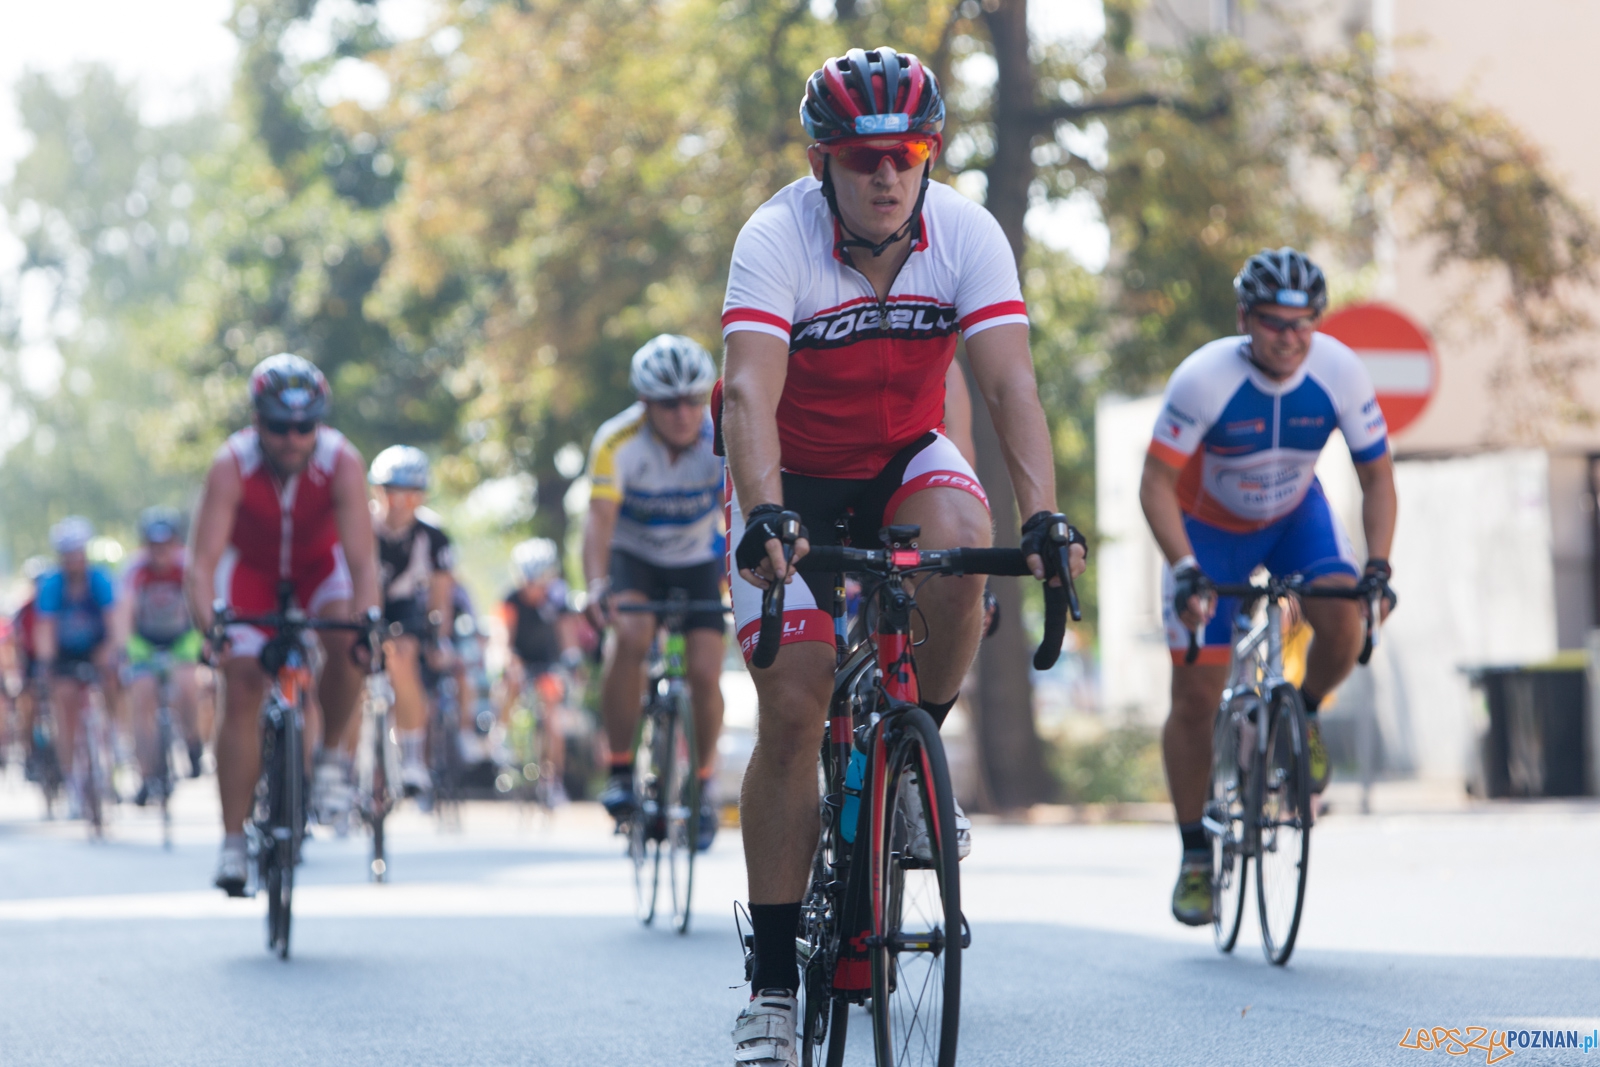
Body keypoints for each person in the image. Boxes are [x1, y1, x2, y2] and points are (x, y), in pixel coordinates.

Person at [719, 47, 1085, 1065]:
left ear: (930, 155)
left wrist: (1045, 515)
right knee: (792, 706)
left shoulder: (965, 231)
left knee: (966, 556)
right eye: (864, 155)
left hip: (901, 457)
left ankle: (915, 757)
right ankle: (772, 988)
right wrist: (762, 512)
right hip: (784, 473)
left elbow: (1009, 383)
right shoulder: (775, 236)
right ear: (821, 158)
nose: (887, 173)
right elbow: (748, 392)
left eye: (909, 152)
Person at [1138, 247, 1398, 928]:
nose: (1291, 337)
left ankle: (1303, 714)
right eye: (1275, 323)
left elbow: (1377, 477)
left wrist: (1379, 566)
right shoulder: (1204, 378)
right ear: (1245, 318)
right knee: (1195, 696)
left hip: (1293, 518)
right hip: (1208, 529)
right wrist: (1186, 566)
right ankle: (1196, 852)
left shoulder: (1339, 369)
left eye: (1305, 322)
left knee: (1345, 616)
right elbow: (1155, 483)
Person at [186, 353, 381, 895]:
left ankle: (331, 758)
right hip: (252, 574)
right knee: (243, 682)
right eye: (279, 427)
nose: (293, 439)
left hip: (320, 571)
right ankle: (231, 843)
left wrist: (368, 625)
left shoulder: (343, 461)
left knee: (348, 641)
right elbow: (202, 564)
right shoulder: (231, 464)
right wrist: (212, 629)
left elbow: (363, 564)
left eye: (305, 426)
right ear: (257, 422)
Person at [582, 334, 727, 850]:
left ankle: (701, 786)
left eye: (693, 399)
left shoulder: (723, 433)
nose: (683, 413)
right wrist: (597, 585)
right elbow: (598, 522)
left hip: (697, 558)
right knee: (632, 635)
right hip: (634, 557)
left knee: (708, 670)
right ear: (645, 403)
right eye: (669, 403)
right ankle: (621, 770)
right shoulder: (617, 440)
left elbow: (744, 509)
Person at [368, 445, 457, 797]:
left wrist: (439, 638)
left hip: (403, 604)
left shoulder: (433, 536)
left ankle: (411, 756)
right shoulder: (360, 525)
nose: (401, 503)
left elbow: (441, 595)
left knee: (402, 653)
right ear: (378, 492)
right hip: (362, 600)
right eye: (393, 492)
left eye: (410, 495)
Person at [33, 517, 124, 816]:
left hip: (96, 648)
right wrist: (46, 663)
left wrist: (110, 650)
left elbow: (115, 625)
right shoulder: (51, 584)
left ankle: (114, 736)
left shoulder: (99, 579)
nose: (73, 559)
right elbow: (45, 630)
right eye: (67, 553)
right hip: (65, 654)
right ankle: (73, 782)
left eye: (77, 552)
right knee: (65, 706)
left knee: (111, 677)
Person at [120, 506, 207, 803]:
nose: (160, 552)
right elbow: (124, 612)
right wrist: (125, 649)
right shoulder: (135, 570)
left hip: (181, 638)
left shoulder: (187, 565)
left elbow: (200, 601)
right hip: (144, 640)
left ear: (175, 543)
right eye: (153, 545)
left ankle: (193, 742)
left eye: (165, 544)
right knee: (141, 696)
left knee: (187, 684)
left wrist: (205, 639)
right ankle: (145, 774)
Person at [497, 538, 580, 805]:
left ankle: (552, 780)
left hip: (547, 663)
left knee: (552, 713)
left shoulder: (558, 598)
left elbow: (567, 635)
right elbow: (503, 638)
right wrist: (508, 659)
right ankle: (503, 738)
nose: (534, 587)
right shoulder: (511, 599)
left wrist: (572, 659)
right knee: (510, 682)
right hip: (520, 658)